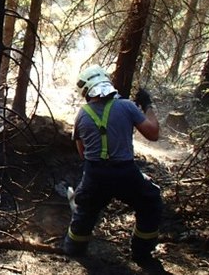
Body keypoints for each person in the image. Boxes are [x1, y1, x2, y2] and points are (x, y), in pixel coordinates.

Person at [63, 65, 164, 271]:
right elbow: (153, 133)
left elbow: (82, 153)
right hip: (125, 173)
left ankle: (74, 249)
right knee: (150, 202)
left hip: (95, 174)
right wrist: (147, 106)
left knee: (85, 211)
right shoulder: (127, 106)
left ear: (86, 91)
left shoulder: (81, 115)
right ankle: (142, 253)